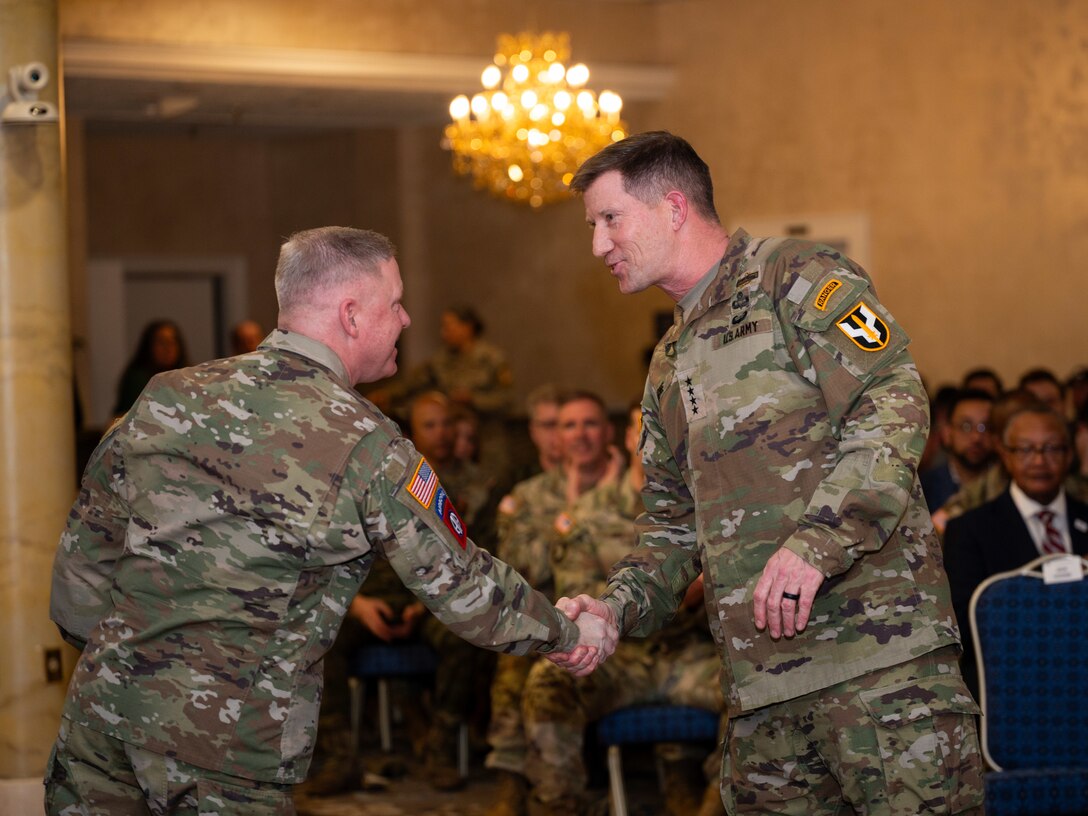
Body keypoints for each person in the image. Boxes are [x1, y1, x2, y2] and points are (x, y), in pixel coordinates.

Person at [46, 226, 614, 816]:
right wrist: (565, 633)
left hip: (101, 724)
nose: (407, 319)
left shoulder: (165, 396)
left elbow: (80, 572)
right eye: (394, 303)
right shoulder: (367, 444)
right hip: (226, 752)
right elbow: (464, 588)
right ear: (350, 314)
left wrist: (130, 672)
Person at [549, 132, 983, 814]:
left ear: (672, 207)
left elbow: (893, 401)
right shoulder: (666, 364)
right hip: (761, 701)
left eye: (610, 219)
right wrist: (614, 609)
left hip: (880, 672)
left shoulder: (797, 278)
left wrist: (817, 541)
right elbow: (670, 527)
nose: (598, 245)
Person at [302, 390, 499, 797]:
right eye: (431, 425)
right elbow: (328, 553)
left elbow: (475, 553)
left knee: (469, 637)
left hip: (434, 599)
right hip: (369, 598)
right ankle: (339, 756)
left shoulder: (477, 485)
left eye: (447, 424)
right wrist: (356, 607)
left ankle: (440, 748)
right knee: (316, 638)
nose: (442, 434)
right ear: (410, 433)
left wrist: (423, 607)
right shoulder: (373, 478)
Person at [485, 390, 627, 816]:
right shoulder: (528, 497)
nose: (579, 435)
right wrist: (570, 516)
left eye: (589, 424)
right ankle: (512, 776)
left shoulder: (633, 487)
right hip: (550, 621)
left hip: (627, 626)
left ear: (607, 432)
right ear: (555, 438)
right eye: (568, 426)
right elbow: (518, 566)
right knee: (514, 652)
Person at [943, 403, 1088, 698]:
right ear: (1005, 456)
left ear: (1069, 455)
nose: (1039, 461)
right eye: (1025, 449)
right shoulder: (970, 530)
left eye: (1052, 449)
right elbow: (966, 625)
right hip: (1011, 693)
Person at [919, 388, 995, 512]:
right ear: (947, 433)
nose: (976, 437)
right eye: (966, 426)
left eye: (985, 427)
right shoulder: (923, 489)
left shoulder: (1006, 487)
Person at [112, 318, 189, 416]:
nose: (168, 348)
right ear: (149, 347)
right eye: (162, 342)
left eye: (172, 342)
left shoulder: (188, 377)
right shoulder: (137, 378)